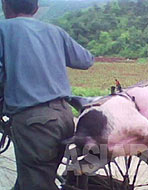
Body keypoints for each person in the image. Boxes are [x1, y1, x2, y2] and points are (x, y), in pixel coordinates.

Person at [0, 0, 94, 189]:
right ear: (35, 9)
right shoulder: (54, 31)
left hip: (35, 122)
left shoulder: (3, 29)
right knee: (36, 175)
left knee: (37, 181)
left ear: (5, 6)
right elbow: (86, 60)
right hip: (65, 116)